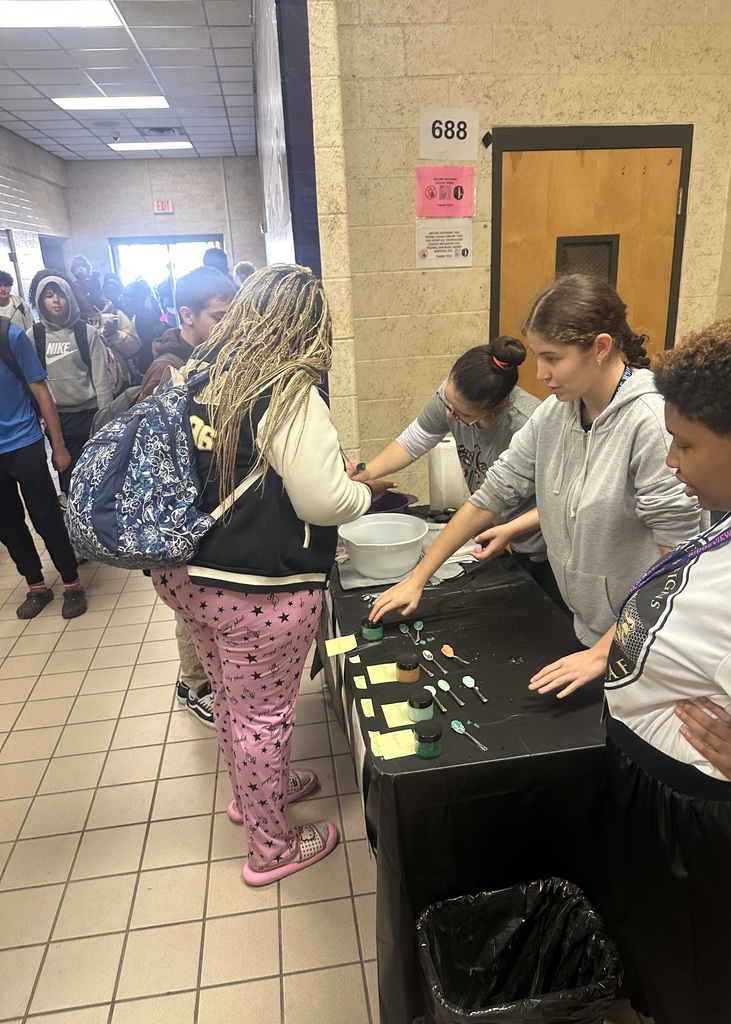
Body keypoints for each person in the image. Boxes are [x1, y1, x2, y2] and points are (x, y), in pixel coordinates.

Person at [547, 303, 731, 1024]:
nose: (672, 465)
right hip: (656, 799)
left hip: (710, 836)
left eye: (686, 446)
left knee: (704, 990)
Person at [151, 263, 391, 885]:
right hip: (254, 591)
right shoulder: (285, 390)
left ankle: (255, 792)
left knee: (232, 695)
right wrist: (366, 496)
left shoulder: (202, 374)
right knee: (264, 717)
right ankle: (272, 847)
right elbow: (322, 501)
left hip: (186, 576)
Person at [370, 274, 706, 690]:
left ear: (600, 347)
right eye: (537, 357)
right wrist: (418, 577)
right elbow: (490, 495)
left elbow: (682, 562)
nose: (542, 373)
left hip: (642, 640)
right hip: (588, 625)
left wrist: (604, 651)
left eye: (553, 358)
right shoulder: (555, 415)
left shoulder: (651, 424)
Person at [350, 336, 554, 595]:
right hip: (504, 529)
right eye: (447, 402)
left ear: (496, 407)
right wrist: (366, 473)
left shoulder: (529, 424)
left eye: (461, 415)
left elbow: (561, 502)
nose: (449, 415)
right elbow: (414, 440)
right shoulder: (453, 397)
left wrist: (511, 528)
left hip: (547, 544)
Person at [139, 266, 237, 728]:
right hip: (177, 521)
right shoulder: (168, 372)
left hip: (204, 514)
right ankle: (195, 685)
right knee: (189, 606)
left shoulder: (211, 360)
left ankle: (202, 678)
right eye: (220, 317)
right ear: (187, 314)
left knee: (199, 602)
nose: (231, 326)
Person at [0, 319, 87, 618]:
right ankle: (35, 583)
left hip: (23, 440)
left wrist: (58, 445)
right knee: (7, 524)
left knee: (45, 515)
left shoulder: (9, 335)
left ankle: (71, 581)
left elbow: (41, 391)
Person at [32, 274, 111, 495]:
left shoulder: (86, 332)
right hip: (58, 419)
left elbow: (101, 379)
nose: (55, 300)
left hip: (90, 414)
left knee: (99, 473)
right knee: (68, 473)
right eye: (49, 296)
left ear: (70, 299)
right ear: (40, 302)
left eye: (61, 295)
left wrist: (106, 419)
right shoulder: (35, 336)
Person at [138, 267, 236, 402]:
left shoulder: (220, 354)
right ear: (188, 315)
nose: (228, 326)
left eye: (232, 318)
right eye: (219, 318)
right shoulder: (163, 371)